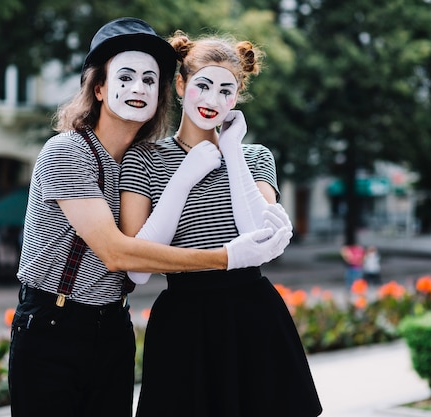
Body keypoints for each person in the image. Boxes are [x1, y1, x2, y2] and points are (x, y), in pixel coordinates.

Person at [8, 17, 293, 417]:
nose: (139, 88)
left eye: (149, 80)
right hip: (55, 326)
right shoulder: (67, 152)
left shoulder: (134, 159)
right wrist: (226, 257)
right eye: (126, 77)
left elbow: (261, 231)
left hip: (113, 325)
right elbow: (119, 254)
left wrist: (229, 152)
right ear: (100, 88)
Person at [119, 30, 322, 416]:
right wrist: (184, 177)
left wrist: (230, 151)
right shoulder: (143, 158)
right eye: (203, 86)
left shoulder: (254, 156)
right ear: (180, 85)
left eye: (226, 91)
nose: (213, 101)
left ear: (238, 95)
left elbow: (258, 236)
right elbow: (138, 268)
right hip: (184, 321)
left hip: (253, 316)